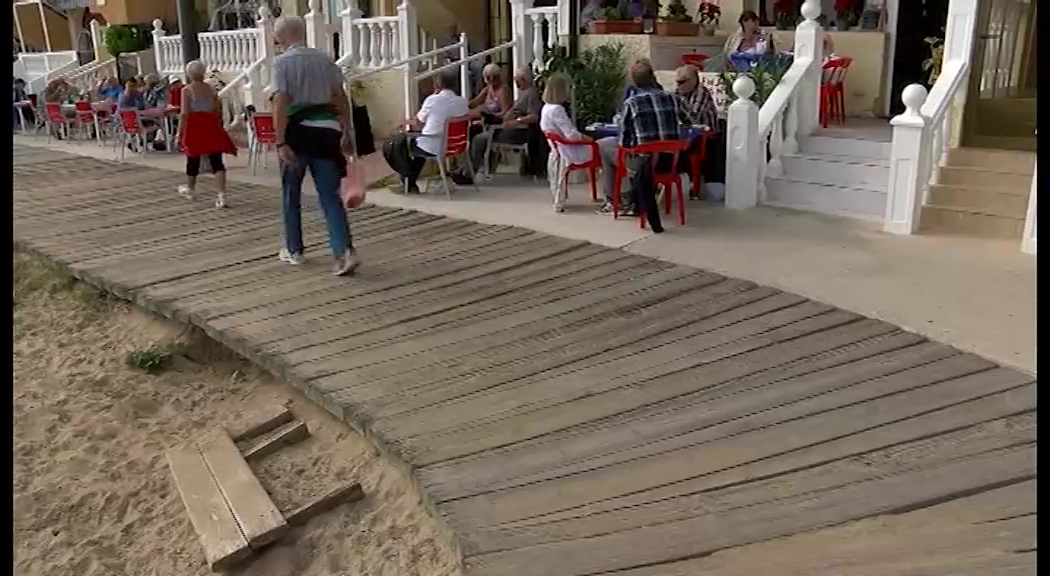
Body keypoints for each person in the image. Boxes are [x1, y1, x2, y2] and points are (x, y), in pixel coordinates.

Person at [271, 15, 359, 276]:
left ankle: (294, 249)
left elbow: (281, 102)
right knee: (330, 196)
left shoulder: (281, 63)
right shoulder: (325, 60)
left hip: (297, 132)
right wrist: (346, 129)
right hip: (326, 131)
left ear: (282, 37)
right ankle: (344, 251)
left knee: (291, 193)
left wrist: (280, 140)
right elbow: (339, 97)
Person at [615, 59, 696, 233]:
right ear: (653, 77)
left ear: (634, 81)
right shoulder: (674, 99)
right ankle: (635, 203)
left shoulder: (632, 103)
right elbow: (690, 121)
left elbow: (624, 140)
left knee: (616, 156)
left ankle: (627, 203)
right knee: (643, 164)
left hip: (647, 164)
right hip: (670, 163)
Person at [383, 69, 469, 194]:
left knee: (397, 144)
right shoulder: (462, 101)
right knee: (419, 144)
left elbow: (417, 124)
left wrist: (403, 122)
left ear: (438, 84)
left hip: (434, 145)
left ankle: (407, 181)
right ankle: (409, 183)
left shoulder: (432, 100)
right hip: (456, 146)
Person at [463, 66, 543, 181]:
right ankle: (466, 170)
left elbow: (534, 116)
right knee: (472, 132)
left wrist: (516, 121)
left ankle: (469, 174)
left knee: (478, 139)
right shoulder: (524, 93)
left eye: (517, 81)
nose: (515, 84)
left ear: (524, 80)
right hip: (501, 127)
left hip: (513, 130)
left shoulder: (530, 94)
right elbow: (474, 103)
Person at [175, 60, 234, 208]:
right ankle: (221, 195)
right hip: (210, 125)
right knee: (217, 160)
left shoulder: (187, 90)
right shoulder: (211, 89)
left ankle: (191, 189)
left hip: (194, 126)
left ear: (189, 74)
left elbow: (184, 114)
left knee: (192, 158)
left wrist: (179, 134)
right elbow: (216, 110)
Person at [540, 72, 593, 213]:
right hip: (568, 150)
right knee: (605, 149)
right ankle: (611, 196)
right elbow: (572, 135)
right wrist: (589, 139)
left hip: (556, 149)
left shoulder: (545, 108)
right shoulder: (557, 109)